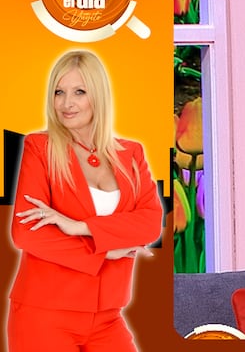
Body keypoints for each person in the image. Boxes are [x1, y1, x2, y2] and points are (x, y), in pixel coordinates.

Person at [7, 50, 163, 352]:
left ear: (98, 95)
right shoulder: (40, 148)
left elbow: (150, 223)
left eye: (79, 92)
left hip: (108, 316)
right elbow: (26, 233)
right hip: (44, 314)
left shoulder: (130, 153)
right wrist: (104, 252)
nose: (67, 103)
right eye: (59, 92)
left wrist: (81, 227)